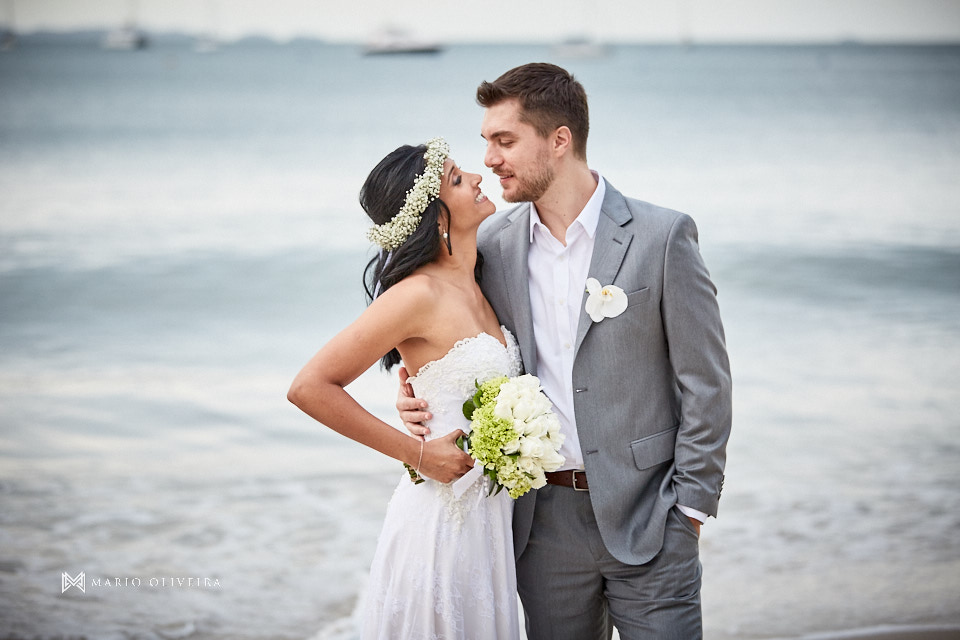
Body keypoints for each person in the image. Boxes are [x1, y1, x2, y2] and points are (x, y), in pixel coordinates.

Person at [397, 63, 732, 639]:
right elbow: (455, 338)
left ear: (559, 140)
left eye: (505, 141)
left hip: (652, 515)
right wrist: (414, 396)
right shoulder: (492, 246)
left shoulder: (662, 236)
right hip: (540, 525)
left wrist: (691, 511)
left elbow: (706, 383)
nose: (490, 159)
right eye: (486, 142)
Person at [287, 138, 523, 639]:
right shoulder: (418, 294)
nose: (478, 177)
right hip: (443, 520)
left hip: (491, 521)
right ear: (436, 218)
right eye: (458, 180)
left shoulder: (479, 277)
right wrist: (418, 453)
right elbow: (310, 387)